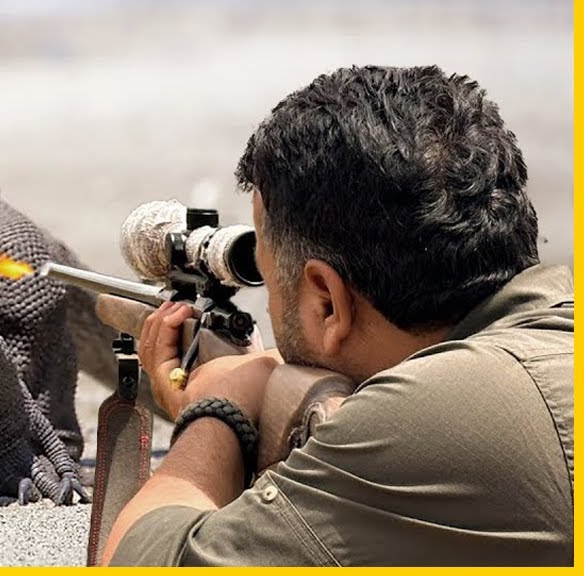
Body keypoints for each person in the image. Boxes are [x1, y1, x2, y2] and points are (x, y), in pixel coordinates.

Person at [101, 65, 573, 566]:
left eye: (266, 277)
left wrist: (218, 410)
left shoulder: (423, 421)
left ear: (326, 301)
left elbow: (140, 560)